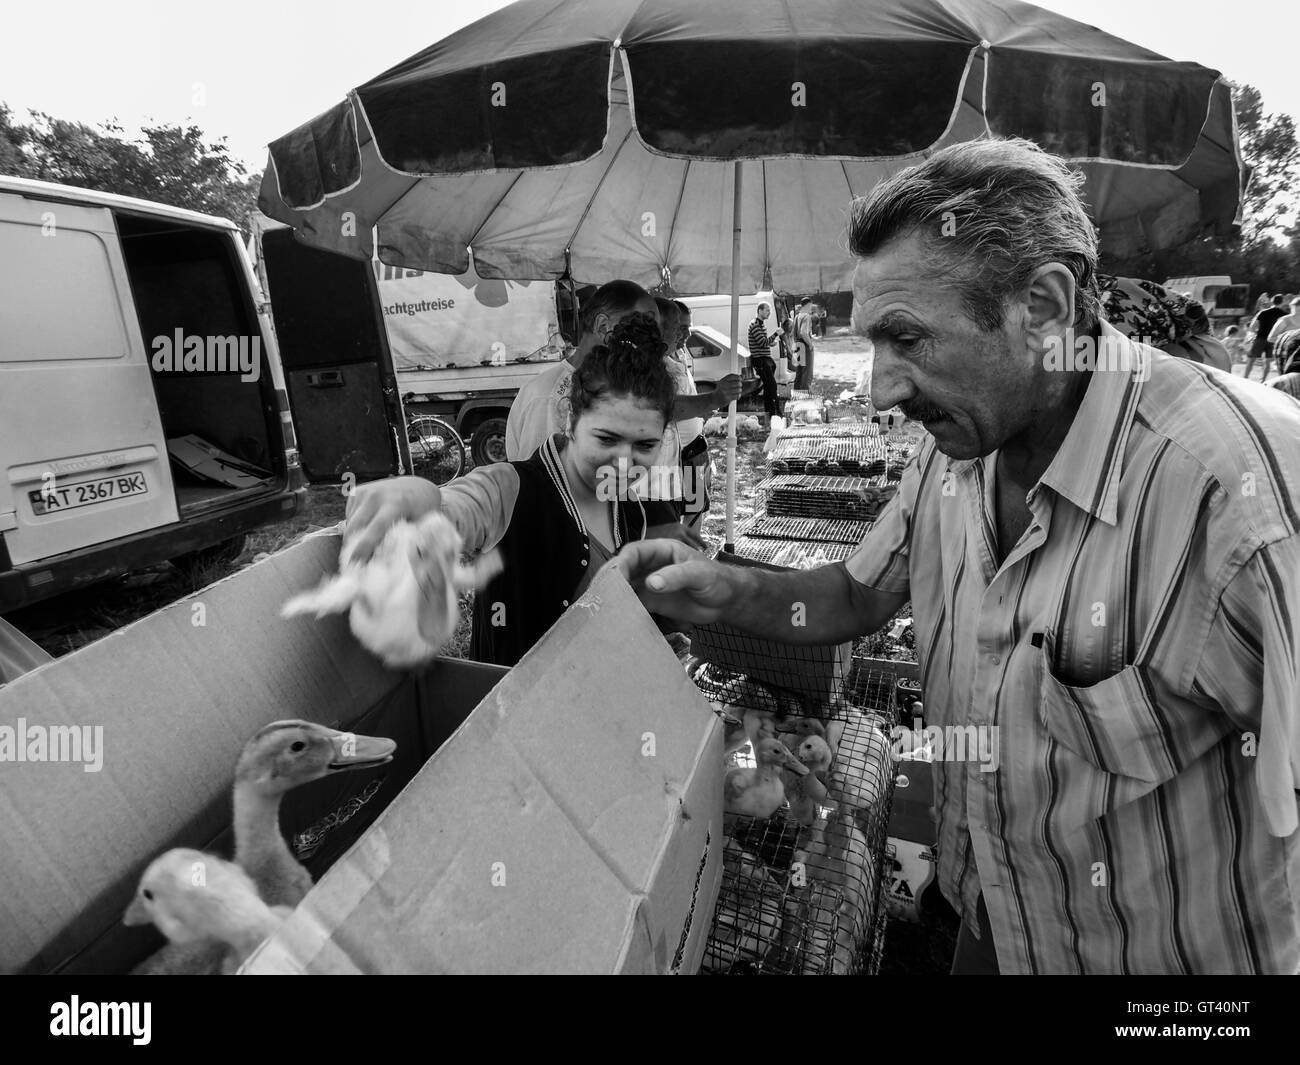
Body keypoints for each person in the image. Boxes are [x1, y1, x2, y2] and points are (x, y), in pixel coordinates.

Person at [613, 136, 1300, 975]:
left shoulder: (1238, 500)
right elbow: (855, 598)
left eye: (907, 338)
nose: (879, 391)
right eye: (870, 342)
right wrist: (720, 589)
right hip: (983, 923)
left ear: (1043, 308)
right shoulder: (958, 449)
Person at [344, 322, 697, 667]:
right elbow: (454, 507)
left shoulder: (631, 509)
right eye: (606, 439)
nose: (623, 464)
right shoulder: (509, 488)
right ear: (569, 417)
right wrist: (420, 499)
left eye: (645, 445)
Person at [505, 279, 661, 461]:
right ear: (603, 327)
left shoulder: (616, 386)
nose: (650, 340)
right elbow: (542, 482)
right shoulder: (549, 397)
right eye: (642, 326)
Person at [655, 297, 742, 529]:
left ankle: (690, 555)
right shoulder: (655, 365)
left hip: (694, 448)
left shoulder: (680, 355)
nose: (686, 334)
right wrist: (712, 399)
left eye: (687, 327)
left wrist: (702, 411)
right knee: (678, 517)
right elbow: (668, 407)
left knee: (696, 510)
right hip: (677, 455)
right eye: (680, 327)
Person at [746, 302, 785, 422]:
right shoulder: (755, 325)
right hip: (761, 361)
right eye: (767, 310)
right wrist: (775, 334)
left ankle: (771, 413)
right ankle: (776, 413)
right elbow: (763, 343)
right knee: (771, 386)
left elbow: (763, 342)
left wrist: (771, 342)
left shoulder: (761, 325)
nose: (769, 312)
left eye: (769, 310)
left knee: (769, 388)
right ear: (760, 310)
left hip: (765, 359)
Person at [1245, 294, 1288, 382]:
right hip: (1273, 340)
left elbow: (1252, 327)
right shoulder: (1284, 315)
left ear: (1272, 301)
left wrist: (1256, 334)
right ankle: (1263, 381)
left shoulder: (1263, 312)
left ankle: (1245, 378)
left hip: (1260, 338)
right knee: (1267, 362)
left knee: (1251, 360)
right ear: (1282, 302)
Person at [792, 297, 816, 390]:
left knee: (799, 372)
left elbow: (793, 333)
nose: (811, 308)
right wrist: (810, 344)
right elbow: (803, 332)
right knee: (807, 372)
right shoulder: (806, 316)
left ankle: (796, 395)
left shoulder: (797, 316)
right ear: (808, 304)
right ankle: (805, 397)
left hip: (797, 345)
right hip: (805, 346)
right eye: (811, 306)